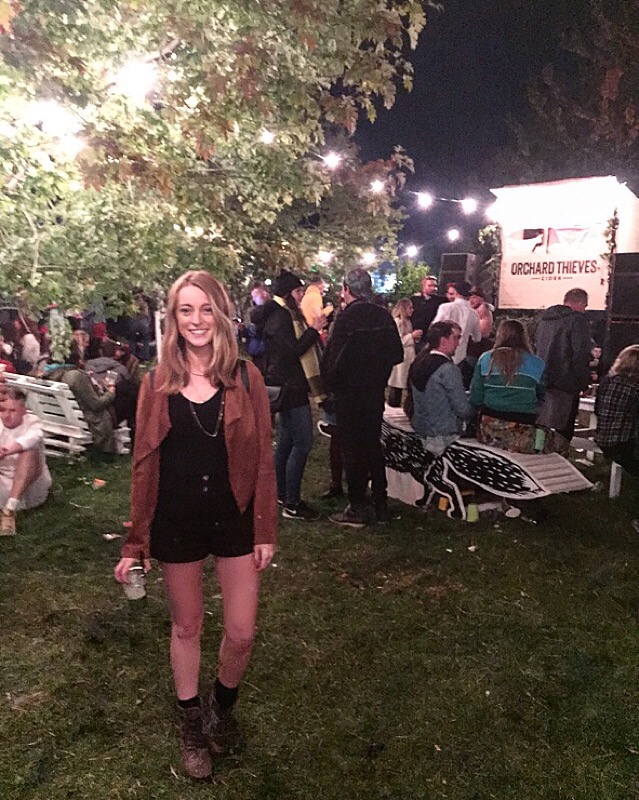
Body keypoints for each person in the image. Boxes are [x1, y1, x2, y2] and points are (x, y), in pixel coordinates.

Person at [114, 270, 276, 780]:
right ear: (173, 318)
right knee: (186, 626)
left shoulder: (246, 377)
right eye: (186, 310)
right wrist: (136, 541)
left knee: (242, 632)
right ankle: (190, 722)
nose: (197, 320)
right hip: (177, 519)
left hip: (233, 516)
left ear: (222, 315)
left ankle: (221, 709)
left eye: (206, 309)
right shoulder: (156, 382)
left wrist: (265, 530)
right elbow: (144, 464)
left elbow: (263, 459)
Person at [321, 267, 403, 527]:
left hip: (349, 394)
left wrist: (331, 384)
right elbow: (397, 354)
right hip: (374, 392)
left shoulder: (347, 318)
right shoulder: (382, 315)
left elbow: (333, 361)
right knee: (372, 446)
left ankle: (357, 506)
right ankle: (380, 503)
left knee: (352, 450)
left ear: (346, 289)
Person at [252, 269, 325, 521]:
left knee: (286, 441)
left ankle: (281, 493)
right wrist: (313, 330)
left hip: (287, 384)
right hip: (290, 386)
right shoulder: (281, 317)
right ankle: (292, 502)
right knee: (302, 443)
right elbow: (291, 352)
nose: (301, 295)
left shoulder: (280, 314)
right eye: (298, 291)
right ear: (287, 294)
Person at [469, 319, 546, 453]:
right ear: (524, 337)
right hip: (524, 425)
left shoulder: (485, 359)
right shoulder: (537, 363)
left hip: (490, 425)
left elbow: (476, 396)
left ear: (499, 335)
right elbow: (541, 396)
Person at [535, 287, 591, 454]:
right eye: (585, 306)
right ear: (580, 303)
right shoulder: (577, 321)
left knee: (542, 425)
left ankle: (539, 455)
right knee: (563, 430)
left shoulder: (545, 320)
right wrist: (584, 383)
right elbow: (580, 354)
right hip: (567, 383)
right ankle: (560, 459)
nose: (585, 309)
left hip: (542, 379)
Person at [407, 321, 474, 454]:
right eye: (456, 338)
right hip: (443, 435)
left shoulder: (418, 362)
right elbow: (463, 410)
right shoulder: (448, 369)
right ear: (443, 341)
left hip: (420, 429)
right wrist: (475, 407)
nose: (458, 343)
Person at [46, 342, 119, 453]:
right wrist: (111, 392)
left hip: (60, 416)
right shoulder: (75, 376)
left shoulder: (49, 373)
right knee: (127, 394)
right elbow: (96, 405)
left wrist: (89, 381)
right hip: (85, 420)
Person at [0, 387, 51, 535]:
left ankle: (9, 511)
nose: (6, 415)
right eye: (3, 410)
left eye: (13, 411)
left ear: (23, 410)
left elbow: (30, 439)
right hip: (2, 478)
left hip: (30, 484)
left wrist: (6, 451)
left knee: (29, 452)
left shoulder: (33, 423)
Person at [595, 345, 639, 476]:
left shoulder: (606, 382)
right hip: (625, 447)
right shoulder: (635, 388)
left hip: (603, 441)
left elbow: (597, 411)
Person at [432, 281, 481, 386]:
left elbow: (434, 328)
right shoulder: (474, 313)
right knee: (455, 384)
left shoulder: (445, 307)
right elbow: (477, 338)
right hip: (460, 356)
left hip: (440, 352)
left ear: (457, 292)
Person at [388, 298, 421, 407]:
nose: (412, 310)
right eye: (410, 308)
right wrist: (411, 336)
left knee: (405, 382)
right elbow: (398, 340)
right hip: (402, 357)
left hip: (408, 356)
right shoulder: (398, 322)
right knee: (397, 384)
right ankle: (393, 406)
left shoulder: (407, 321)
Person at [411, 275, 443, 352]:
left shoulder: (441, 301)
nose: (433, 288)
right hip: (416, 336)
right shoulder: (414, 300)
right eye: (430, 285)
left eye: (435, 286)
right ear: (423, 286)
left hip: (432, 337)